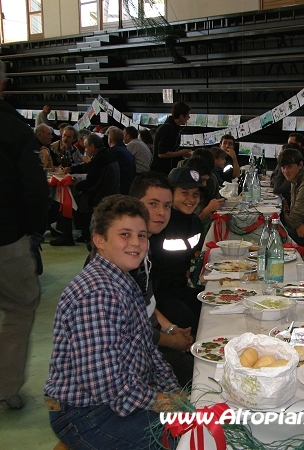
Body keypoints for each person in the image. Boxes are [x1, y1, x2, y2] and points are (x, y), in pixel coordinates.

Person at [44, 195, 181, 449]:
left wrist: (174, 393)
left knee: (192, 421)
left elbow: (148, 351)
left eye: (141, 235)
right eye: (125, 235)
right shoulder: (97, 294)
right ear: (99, 240)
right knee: (181, 439)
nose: (136, 243)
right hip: (85, 411)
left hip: (112, 400)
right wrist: (160, 401)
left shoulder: (123, 279)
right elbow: (103, 383)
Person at [0, 59, 50, 409]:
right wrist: (34, 230)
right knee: (20, 306)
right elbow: (35, 189)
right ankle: (3, 388)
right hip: (6, 238)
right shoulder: (14, 128)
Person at [129, 172, 195, 386]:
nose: (161, 212)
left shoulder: (144, 245)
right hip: (129, 359)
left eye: (166, 206)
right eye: (153, 204)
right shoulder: (126, 254)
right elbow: (133, 332)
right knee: (201, 372)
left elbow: (145, 304)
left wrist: (170, 329)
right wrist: (172, 340)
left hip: (147, 336)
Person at [150, 167, 205, 334]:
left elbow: (192, 255)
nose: (191, 199)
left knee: (210, 311)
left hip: (180, 287)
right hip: (158, 294)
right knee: (194, 326)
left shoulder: (195, 223)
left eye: (195, 194)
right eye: (185, 193)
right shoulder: (159, 223)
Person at [55, 133, 116, 245]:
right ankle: (82, 233)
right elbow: (87, 167)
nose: (86, 150)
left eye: (87, 147)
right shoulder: (105, 155)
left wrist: (75, 185)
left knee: (69, 199)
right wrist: (72, 170)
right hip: (106, 191)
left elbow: (90, 182)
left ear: (92, 146)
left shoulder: (100, 159)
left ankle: (68, 235)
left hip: (97, 195)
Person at [278, 147, 304, 246]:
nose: (285, 171)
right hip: (300, 226)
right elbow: (293, 215)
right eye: (283, 167)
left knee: (272, 230)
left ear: (300, 165)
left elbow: (292, 221)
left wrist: (283, 212)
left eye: (289, 167)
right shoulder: (295, 177)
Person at [150, 101, 192, 174]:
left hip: (168, 169)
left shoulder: (174, 128)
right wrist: (181, 153)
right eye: (187, 116)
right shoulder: (167, 129)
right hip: (161, 171)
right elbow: (161, 154)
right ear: (181, 116)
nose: (188, 118)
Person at [107, 127, 136, 195]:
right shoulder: (127, 151)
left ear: (110, 140)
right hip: (129, 187)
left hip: (120, 189)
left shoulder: (111, 153)